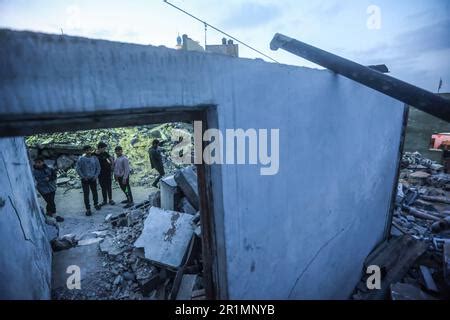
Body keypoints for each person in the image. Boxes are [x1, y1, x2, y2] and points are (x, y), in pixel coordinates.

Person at [32, 157, 64, 222]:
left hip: (52, 188)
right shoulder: (33, 172)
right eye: (36, 163)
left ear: (43, 162)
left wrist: (49, 178)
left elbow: (54, 176)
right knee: (50, 202)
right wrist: (43, 180)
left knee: (50, 201)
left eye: (39, 162)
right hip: (43, 189)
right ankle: (55, 215)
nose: (37, 164)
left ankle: (49, 212)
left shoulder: (49, 168)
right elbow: (34, 181)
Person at [76, 145, 101, 216]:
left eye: (90, 150)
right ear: (84, 151)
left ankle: (96, 204)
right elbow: (78, 169)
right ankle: (88, 209)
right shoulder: (81, 159)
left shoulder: (95, 158)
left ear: (91, 150)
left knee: (95, 192)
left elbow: (98, 168)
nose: (88, 151)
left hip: (93, 178)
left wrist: (96, 176)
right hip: (85, 179)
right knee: (86, 194)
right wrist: (83, 177)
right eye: (87, 150)